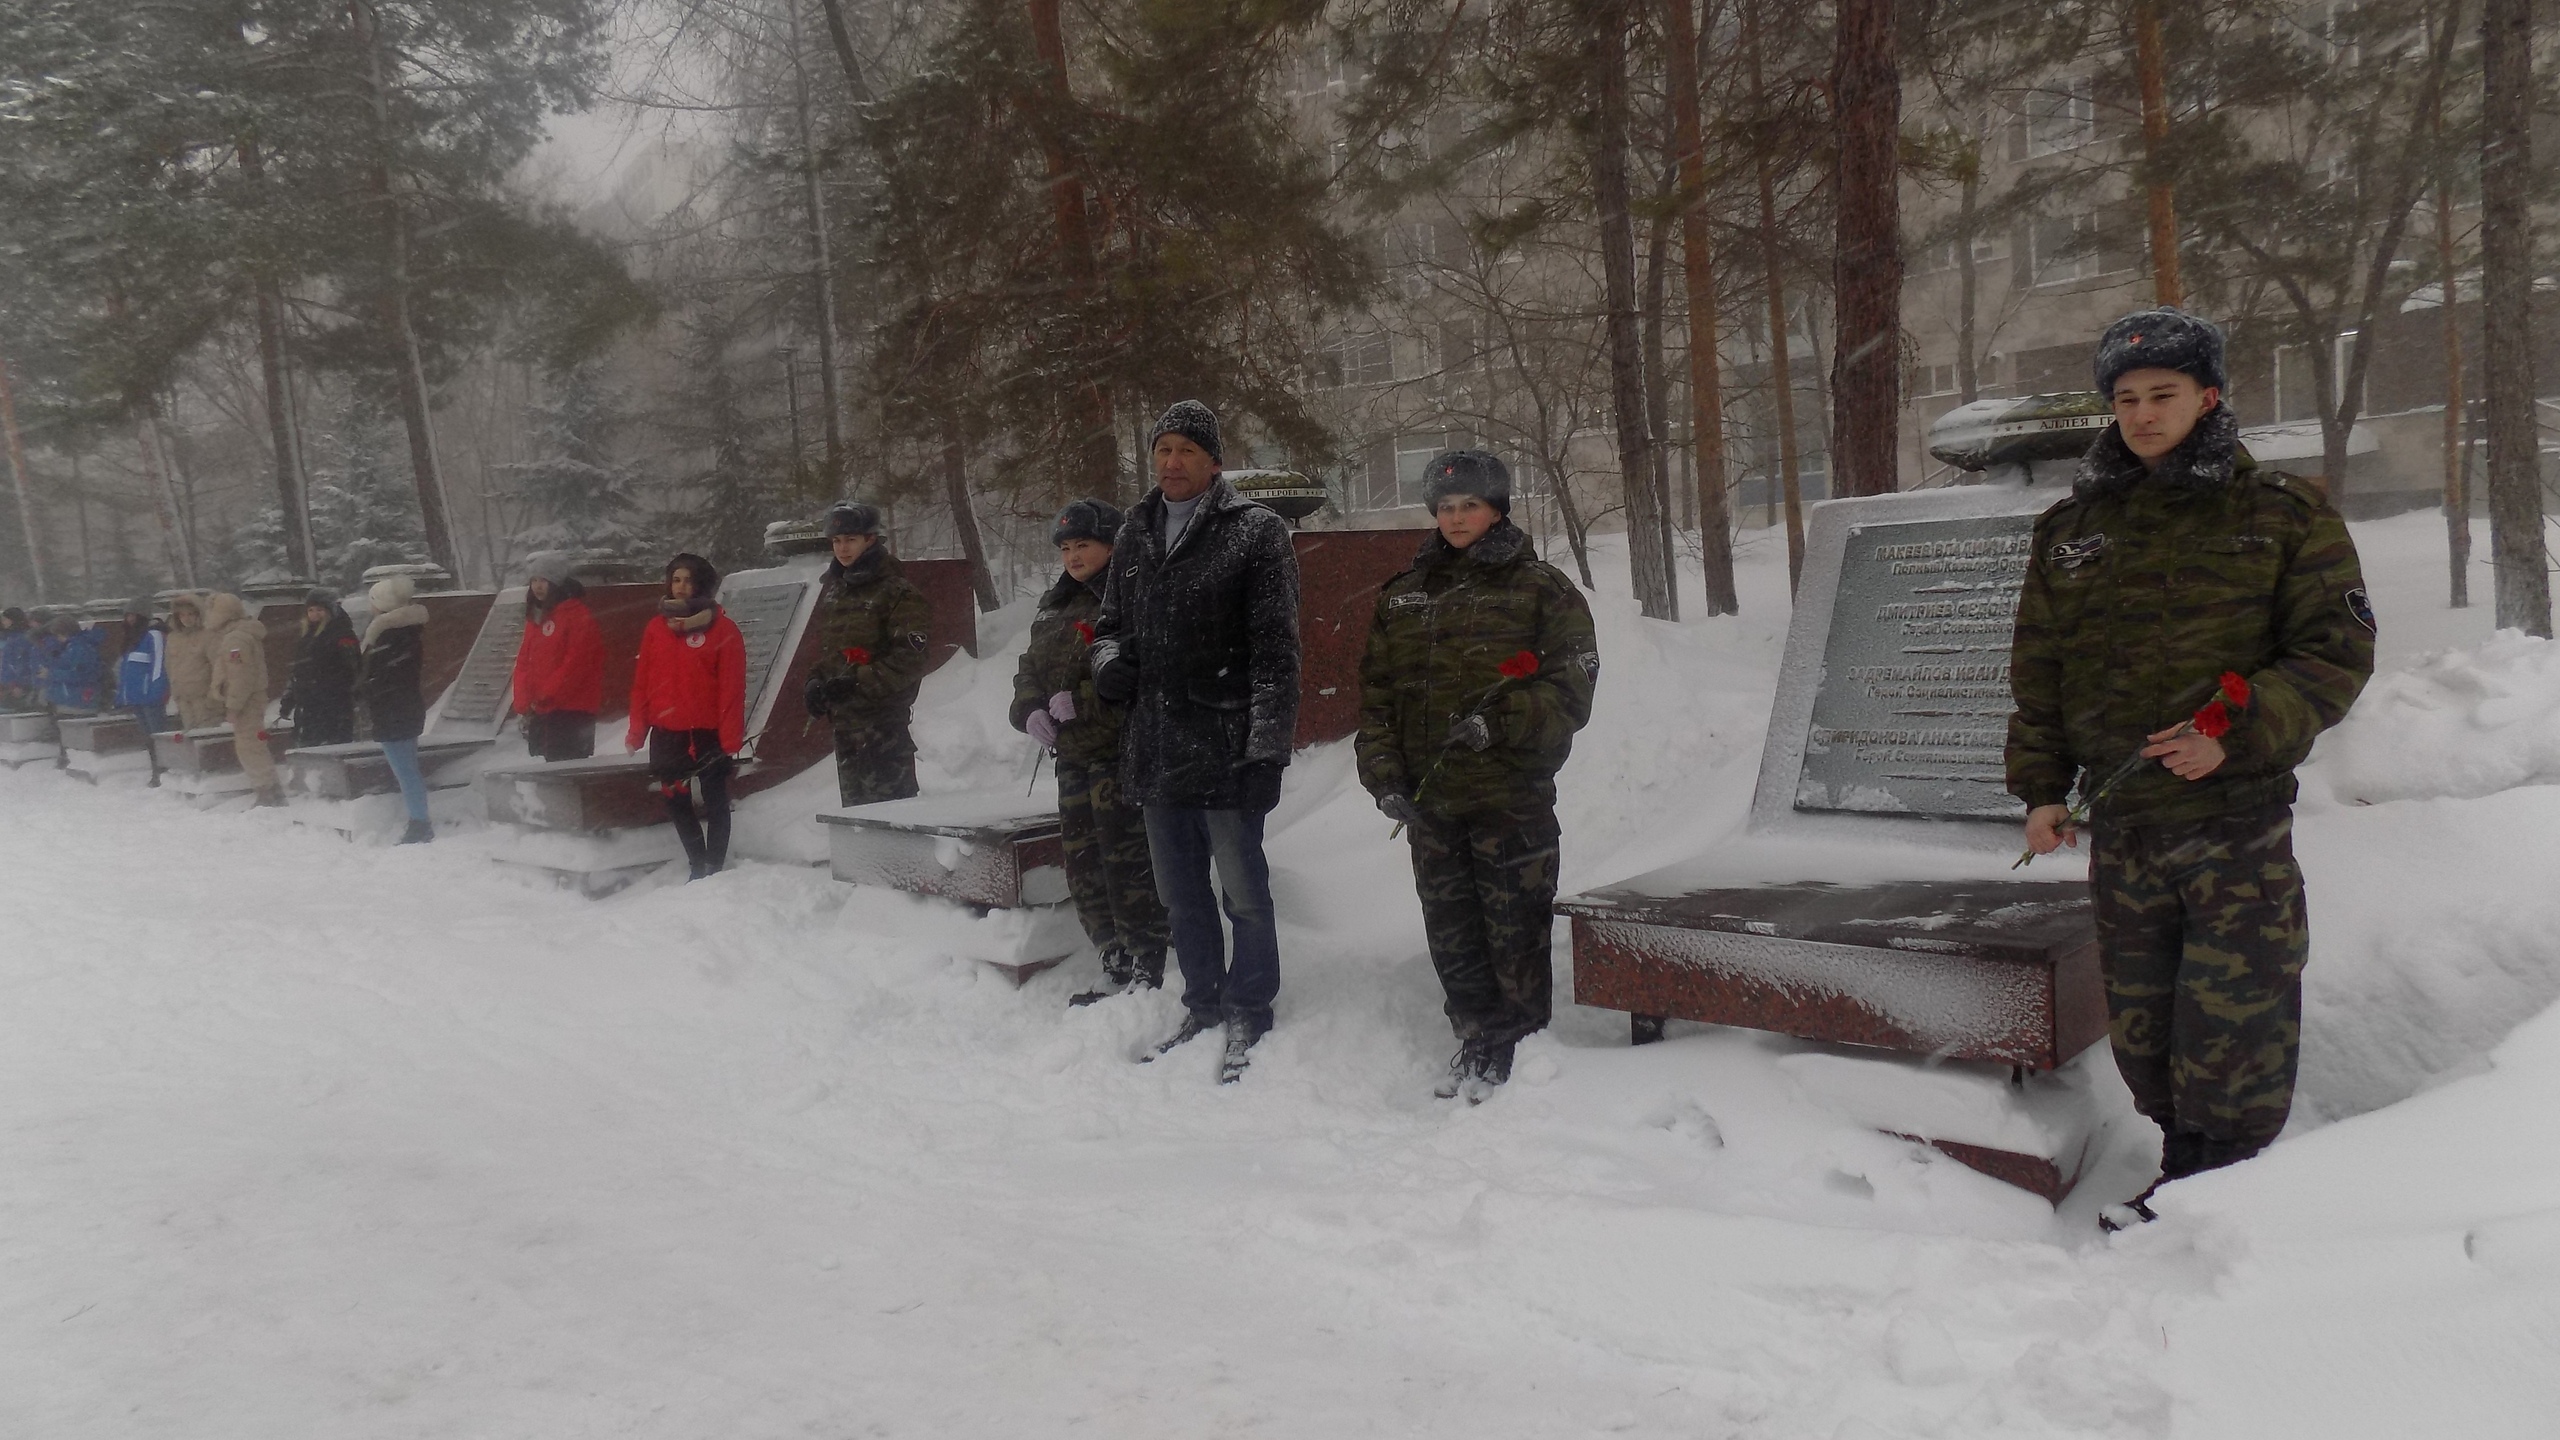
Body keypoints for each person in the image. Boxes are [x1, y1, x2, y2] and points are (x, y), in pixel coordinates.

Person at [2007, 308, 2376, 1220]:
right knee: (2145, 1028)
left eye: (2162, 394)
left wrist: (2235, 734)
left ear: (2208, 397)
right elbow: (2041, 668)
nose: (2141, 414)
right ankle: (2182, 1172)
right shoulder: (2072, 530)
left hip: (2232, 828)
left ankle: (2229, 1207)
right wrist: (2043, 789)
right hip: (2125, 834)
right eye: (2125, 399)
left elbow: (2333, 652)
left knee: (2234, 1024)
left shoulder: (2282, 516)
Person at [1357, 451, 1599, 1101]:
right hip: (1431, 803)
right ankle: (1476, 1036)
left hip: (1509, 798)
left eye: (1470, 505)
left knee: (1515, 928)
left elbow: (1572, 692)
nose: (1456, 517)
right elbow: (1378, 698)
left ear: (1497, 509)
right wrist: (1383, 776)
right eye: (1445, 506)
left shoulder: (1542, 590)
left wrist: (1502, 722)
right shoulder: (1403, 595)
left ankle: (1521, 1048)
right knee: (1451, 927)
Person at [1091, 400, 1301, 1079]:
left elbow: (1277, 653)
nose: (1172, 462)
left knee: (1243, 892)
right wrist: (1108, 666)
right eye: (1162, 450)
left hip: (1227, 746)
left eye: (1186, 450)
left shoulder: (1255, 531)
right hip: (1155, 750)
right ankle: (1204, 1002)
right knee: (1181, 895)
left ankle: (1250, 1007)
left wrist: (1267, 750)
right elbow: (1106, 628)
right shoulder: (1135, 530)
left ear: (1214, 461)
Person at [1011, 498, 1170, 1007]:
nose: (1073, 556)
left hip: (1119, 755)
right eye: (1065, 548)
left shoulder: (1130, 595)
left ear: (1111, 545)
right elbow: (1028, 667)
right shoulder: (1055, 603)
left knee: (1127, 859)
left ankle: (1148, 957)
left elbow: (1141, 677)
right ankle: (1112, 956)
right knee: (1083, 863)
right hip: (1072, 757)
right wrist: (1028, 707)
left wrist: (1080, 703)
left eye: (1083, 545)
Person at [801, 502, 934, 805]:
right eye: (836, 541)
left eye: (850, 539)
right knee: (857, 827)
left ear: (870, 540)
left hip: (883, 731)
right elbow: (830, 651)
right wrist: (816, 682)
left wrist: (857, 682)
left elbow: (910, 659)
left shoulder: (898, 592)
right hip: (846, 728)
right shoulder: (837, 591)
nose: (842, 548)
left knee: (895, 826)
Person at [627, 552, 745, 880]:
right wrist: (637, 730)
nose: (680, 587)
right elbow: (642, 683)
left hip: (707, 731)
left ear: (701, 584)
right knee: (676, 798)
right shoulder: (655, 629)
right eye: (675, 579)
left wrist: (731, 736)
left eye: (688, 580)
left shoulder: (723, 629)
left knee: (715, 798)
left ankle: (716, 866)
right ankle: (697, 862)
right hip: (668, 732)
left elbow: (732, 688)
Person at [357, 575, 434, 842]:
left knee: (405, 770)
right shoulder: (404, 633)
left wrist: (364, 690)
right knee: (407, 767)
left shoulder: (388, 635)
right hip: (403, 707)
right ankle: (418, 819)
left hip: (393, 710)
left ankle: (420, 823)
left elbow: (378, 677)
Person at [509, 555, 605, 761]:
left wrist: (546, 694)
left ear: (556, 582)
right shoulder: (536, 617)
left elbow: (577, 663)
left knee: (566, 771)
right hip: (542, 711)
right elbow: (525, 661)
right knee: (546, 775)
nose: (537, 586)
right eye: (533, 580)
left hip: (571, 711)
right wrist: (524, 699)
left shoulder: (577, 615)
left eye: (543, 580)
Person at [203, 593, 283, 807]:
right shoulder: (239, 634)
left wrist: (233, 706)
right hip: (251, 698)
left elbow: (240, 677)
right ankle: (271, 789)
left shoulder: (235, 639)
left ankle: (266, 792)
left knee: (249, 746)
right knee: (254, 744)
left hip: (247, 701)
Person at [279, 588, 360, 747]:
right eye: (310, 610)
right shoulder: (307, 636)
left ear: (330, 610)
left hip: (333, 706)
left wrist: (334, 689)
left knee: (330, 748)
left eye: (319, 610)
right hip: (309, 706)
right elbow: (298, 671)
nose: (314, 614)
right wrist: (289, 700)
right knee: (309, 749)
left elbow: (354, 668)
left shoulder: (342, 634)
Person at [113, 599, 172, 784]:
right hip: (137, 696)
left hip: (150, 695)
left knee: (158, 735)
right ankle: (157, 770)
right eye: (127, 615)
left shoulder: (153, 635)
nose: (129, 619)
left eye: (133, 615)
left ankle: (164, 771)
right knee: (148, 737)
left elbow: (159, 665)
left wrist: (156, 691)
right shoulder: (132, 638)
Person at [165, 593, 220, 730]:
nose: (186, 619)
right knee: (191, 740)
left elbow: (218, 666)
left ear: (198, 614)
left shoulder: (208, 635)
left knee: (207, 738)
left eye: (190, 614)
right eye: (182, 615)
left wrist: (214, 695)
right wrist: (175, 691)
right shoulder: (173, 638)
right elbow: (169, 666)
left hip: (204, 699)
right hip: (183, 698)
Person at [40, 614, 105, 712]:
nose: (57, 638)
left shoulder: (79, 649)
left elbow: (81, 675)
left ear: (64, 633)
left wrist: (51, 674)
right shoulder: (71, 648)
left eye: (57, 635)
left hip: (77, 701)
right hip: (71, 699)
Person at [0, 607, 38, 710]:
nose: (3, 622)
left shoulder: (23, 638)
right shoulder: (10, 637)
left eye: (5, 619)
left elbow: (23, 663)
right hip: (9, 684)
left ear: (12, 619)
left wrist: (17, 684)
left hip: (19, 686)